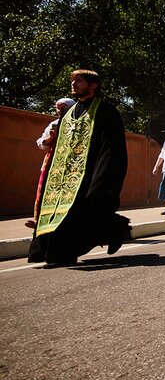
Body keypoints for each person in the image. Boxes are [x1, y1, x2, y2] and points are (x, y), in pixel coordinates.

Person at [29, 70, 130, 265]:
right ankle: (53, 253)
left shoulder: (106, 111)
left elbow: (112, 148)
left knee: (87, 211)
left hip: (90, 173)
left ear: (93, 86)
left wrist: (102, 177)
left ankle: (113, 228)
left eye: (79, 81)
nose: (74, 84)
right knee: (59, 211)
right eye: (73, 81)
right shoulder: (68, 113)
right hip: (64, 176)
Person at [26, 97, 76, 230]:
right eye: (57, 108)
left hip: (73, 163)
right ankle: (39, 220)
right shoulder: (54, 124)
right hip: (52, 161)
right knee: (45, 190)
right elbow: (40, 142)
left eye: (62, 108)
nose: (59, 111)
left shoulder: (78, 123)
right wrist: (50, 138)